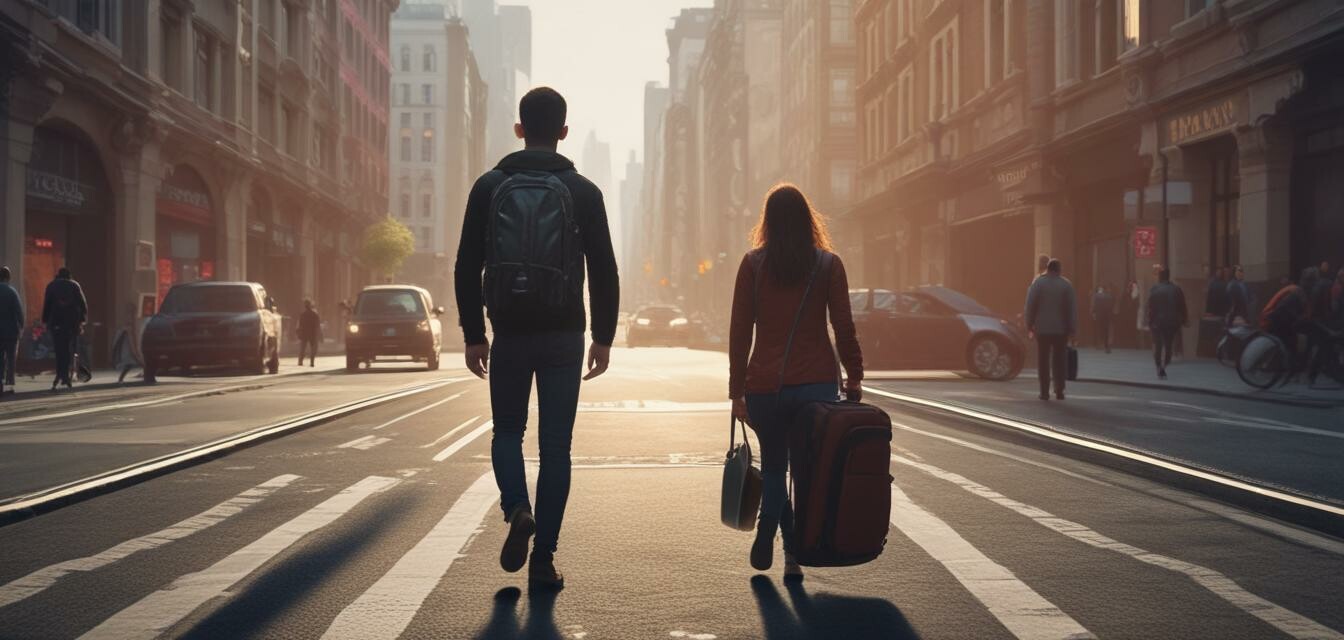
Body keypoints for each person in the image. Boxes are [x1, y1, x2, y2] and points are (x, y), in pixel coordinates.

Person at [454, 87, 619, 591]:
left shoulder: (488, 186)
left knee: (506, 431)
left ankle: (516, 508)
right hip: (564, 334)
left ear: (519, 128)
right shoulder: (585, 192)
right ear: (563, 132)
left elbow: (466, 264)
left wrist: (473, 333)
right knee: (556, 448)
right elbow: (604, 269)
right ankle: (543, 559)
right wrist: (604, 336)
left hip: (509, 331)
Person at [729, 184, 863, 580]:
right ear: (809, 221)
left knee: (773, 466)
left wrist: (737, 391)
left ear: (767, 222)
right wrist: (854, 374)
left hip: (766, 387)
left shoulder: (752, 265)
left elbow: (740, 333)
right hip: (816, 387)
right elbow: (844, 326)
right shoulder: (828, 265)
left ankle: (770, 526)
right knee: (804, 474)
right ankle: (792, 555)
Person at [1025, 259, 1077, 400]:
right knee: (1059, 360)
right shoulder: (1066, 285)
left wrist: (1029, 324)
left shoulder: (1038, 284)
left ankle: (1044, 391)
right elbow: (1072, 309)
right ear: (1059, 270)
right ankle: (1059, 390)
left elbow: (1030, 305)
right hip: (1061, 330)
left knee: (1043, 360)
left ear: (1047, 269)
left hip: (1042, 329)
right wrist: (1072, 329)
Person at [41, 267, 88, 391]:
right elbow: (83, 305)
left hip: (56, 323)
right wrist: (82, 321)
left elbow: (47, 305)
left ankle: (60, 374)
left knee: (58, 349)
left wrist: (45, 321)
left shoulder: (51, 286)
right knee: (69, 349)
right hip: (71, 323)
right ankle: (66, 375)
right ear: (69, 276)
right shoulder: (74, 285)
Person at [1147, 268, 1188, 379]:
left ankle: (1159, 367)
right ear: (1168, 276)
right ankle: (1164, 366)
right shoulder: (1176, 289)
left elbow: (1150, 307)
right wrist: (1184, 319)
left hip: (1157, 322)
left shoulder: (1154, 289)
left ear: (1160, 277)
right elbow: (1182, 306)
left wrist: (1149, 321)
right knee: (1169, 345)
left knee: (1158, 344)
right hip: (1172, 322)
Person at [0, 267, 23, 395]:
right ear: (8, 277)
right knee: (10, 358)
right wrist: (21, 326)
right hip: (11, 332)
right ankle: (9, 384)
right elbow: (19, 312)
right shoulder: (11, 291)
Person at [1090, 284, 1115, 353]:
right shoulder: (1109, 296)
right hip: (1107, 316)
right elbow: (1111, 306)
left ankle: (1099, 345)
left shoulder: (1096, 296)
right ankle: (1106, 346)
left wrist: (1093, 313)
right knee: (1106, 331)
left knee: (1099, 330)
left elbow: (1094, 306)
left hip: (1099, 316)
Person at [297, 299, 320, 367]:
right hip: (312, 333)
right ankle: (311, 362)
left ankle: (300, 361)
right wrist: (318, 334)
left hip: (305, 333)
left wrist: (299, 332)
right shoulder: (314, 314)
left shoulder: (303, 314)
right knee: (313, 348)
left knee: (303, 348)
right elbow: (317, 325)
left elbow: (300, 325)